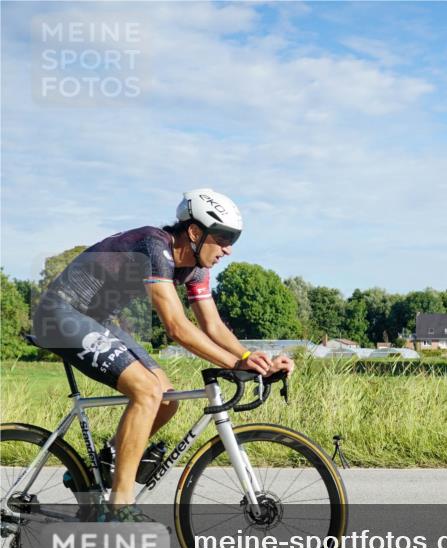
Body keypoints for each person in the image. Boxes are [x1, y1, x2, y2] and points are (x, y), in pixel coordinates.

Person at [31, 188, 294, 520]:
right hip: (61, 315)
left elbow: (212, 325)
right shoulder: (154, 246)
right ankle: (120, 506)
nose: (228, 249)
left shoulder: (196, 268)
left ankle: (103, 465)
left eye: (233, 240)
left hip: (98, 320)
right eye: (224, 238)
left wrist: (247, 360)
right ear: (195, 232)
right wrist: (232, 363)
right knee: (146, 390)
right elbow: (176, 327)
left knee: (167, 399)